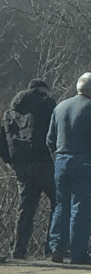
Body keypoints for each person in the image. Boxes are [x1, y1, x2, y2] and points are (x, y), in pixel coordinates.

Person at [46, 73, 91, 265]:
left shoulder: (60, 107)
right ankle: (78, 252)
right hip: (85, 161)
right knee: (81, 207)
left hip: (61, 160)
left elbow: (50, 140)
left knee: (61, 205)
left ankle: (56, 247)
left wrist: (59, 157)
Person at [0, 79, 58, 261]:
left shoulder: (10, 112)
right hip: (44, 161)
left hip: (21, 165)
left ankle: (18, 250)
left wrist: (10, 161)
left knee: (26, 207)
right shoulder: (46, 104)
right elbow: (54, 133)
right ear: (43, 90)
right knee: (58, 203)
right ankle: (52, 248)